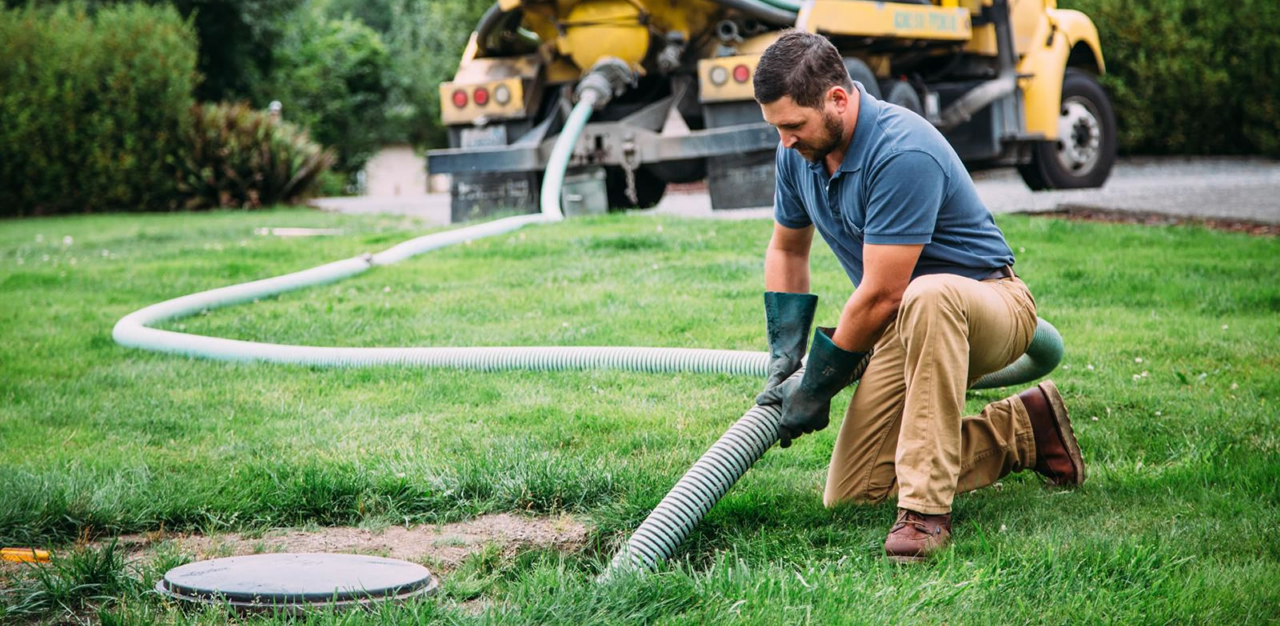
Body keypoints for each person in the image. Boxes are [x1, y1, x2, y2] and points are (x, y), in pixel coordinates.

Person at [751, 31, 1086, 562]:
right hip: (904, 325)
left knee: (926, 294)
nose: (785, 140)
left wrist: (819, 383)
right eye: (778, 128)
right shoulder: (797, 152)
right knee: (854, 493)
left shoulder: (901, 150)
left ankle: (926, 513)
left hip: (986, 304)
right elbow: (787, 250)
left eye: (794, 125)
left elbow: (884, 292)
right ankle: (1024, 429)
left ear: (838, 98)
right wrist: (786, 351)